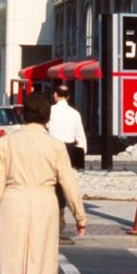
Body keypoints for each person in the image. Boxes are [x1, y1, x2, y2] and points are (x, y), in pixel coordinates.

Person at [0, 92, 87, 274]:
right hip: (45, 202)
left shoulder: (6, 143)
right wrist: (79, 216)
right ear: (47, 116)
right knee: (42, 260)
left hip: (13, 201)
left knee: (11, 260)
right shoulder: (56, 146)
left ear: (24, 114)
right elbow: (68, 182)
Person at [46, 83, 87, 227]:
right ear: (68, 96)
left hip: (51, 147)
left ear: (55, 95)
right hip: (68, 149)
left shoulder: (50, 111)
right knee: (65, 182)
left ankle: (52, 211)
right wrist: (81, 153)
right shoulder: (75, 113)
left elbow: (45, 129)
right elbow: (80, 136)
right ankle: (61, 212)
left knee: (51, 180)